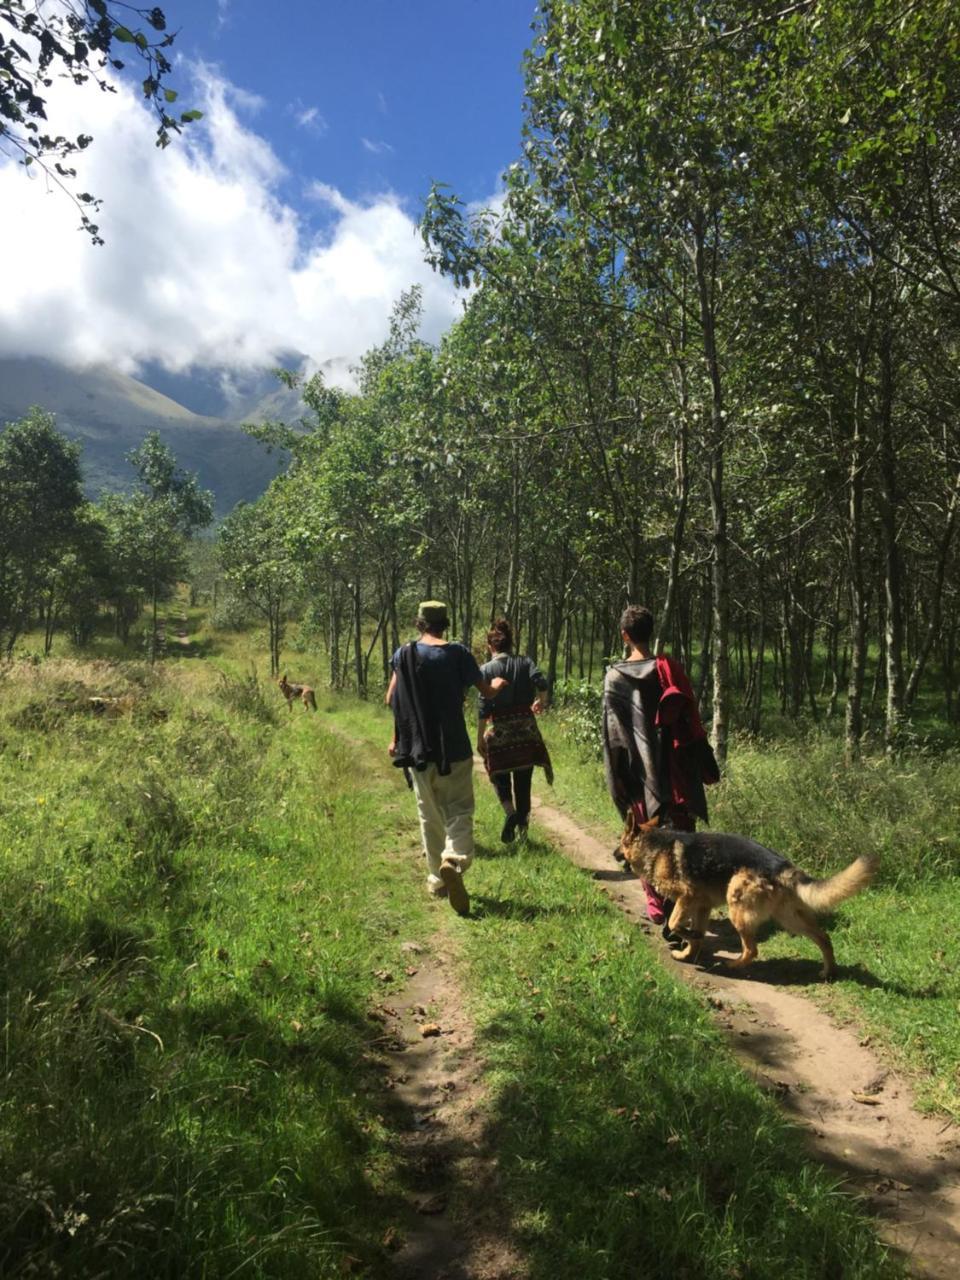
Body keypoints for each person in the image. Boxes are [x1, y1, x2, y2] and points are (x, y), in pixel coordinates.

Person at [602, 604, 719, 936]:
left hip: (638, 773)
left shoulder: (615, 677)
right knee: (681, 841)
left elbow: (613, 737)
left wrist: (619, 777)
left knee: (645, 841)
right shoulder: (668, 669)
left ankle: (660, 908)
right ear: (649, 633)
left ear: (625, 635)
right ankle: (682, 908)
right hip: (676, 770)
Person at [386, 601, 508, 917]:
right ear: (446, 624)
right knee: (460, 809)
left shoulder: (403, 654)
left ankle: (437, 880)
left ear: (419, 623)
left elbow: (391, 699)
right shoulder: (458, 654)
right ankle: (453, 859)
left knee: (429, 813)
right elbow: (486, 691)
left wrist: (396, 738)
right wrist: (496, 684)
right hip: (453, 746)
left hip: (416, 749)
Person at [477, 618, 553, 843]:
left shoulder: (487, 669)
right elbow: (541, 682)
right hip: (526, 732)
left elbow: (483, 706)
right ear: (511, 644)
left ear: (491, 646)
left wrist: (480, 736)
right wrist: (541, 700)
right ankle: (523, 833)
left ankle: (510, 813)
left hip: (500, 731)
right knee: (523, 782)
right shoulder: (525, 662)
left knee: (498, 774)